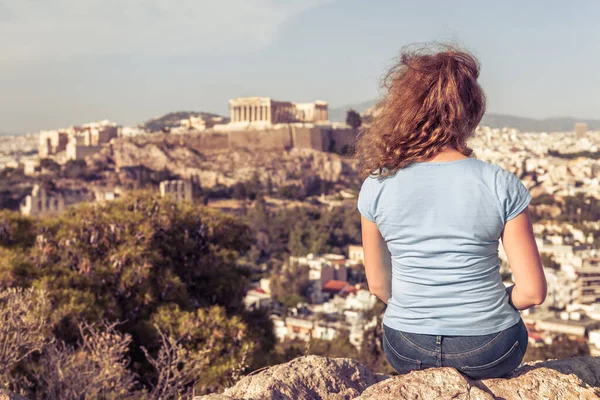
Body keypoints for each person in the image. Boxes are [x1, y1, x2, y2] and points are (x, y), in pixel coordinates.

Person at [355, 44, 547, 380]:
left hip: (405, 347)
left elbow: (379, 286)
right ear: (472, 110)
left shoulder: (377, 185)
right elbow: (532, 292)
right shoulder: (500, 183)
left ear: (405, 109)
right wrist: (496, 302)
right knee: (511, 328)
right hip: (488, 350)